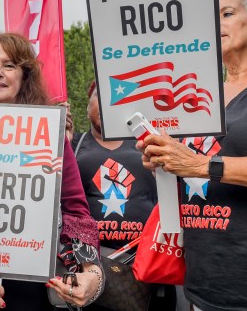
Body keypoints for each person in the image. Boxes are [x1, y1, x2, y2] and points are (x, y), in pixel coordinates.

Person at [137, 0, 247, 311]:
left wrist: (204, 166)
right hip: (203, 290)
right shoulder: (195, 99)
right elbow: (183, 166)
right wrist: (162, 158)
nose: (213, 24)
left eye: (227, 14)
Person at [0, 32, 103, 311]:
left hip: (30, 286)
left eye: (9, 65)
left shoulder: (52, 135)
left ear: (24, 76)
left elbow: (75, 210)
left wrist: (92, 272)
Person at [72, 81, 176, 311]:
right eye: (99, 96)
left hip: (147, 266)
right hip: (90, 268)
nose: (105, 104)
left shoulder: (149, 144)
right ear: (87, 104)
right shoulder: (74, 144)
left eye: (113, 99)